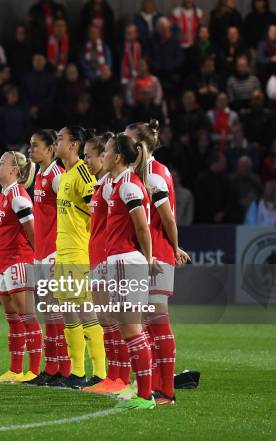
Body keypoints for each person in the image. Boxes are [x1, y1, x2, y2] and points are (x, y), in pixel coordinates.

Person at [126, 120, 190, 405]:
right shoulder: (144, 172)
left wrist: (174, 248)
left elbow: (167, 218)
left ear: (139, 145)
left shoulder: (153, 176)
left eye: (127, 141)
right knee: (148, 325)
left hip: (157, 256)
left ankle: (167, 391)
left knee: (157, 323)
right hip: (147, 256)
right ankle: (152, 386)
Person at [101, 133, 156, 410]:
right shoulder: (117, 183)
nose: (103, 155)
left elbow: (142, 228)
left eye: (107, 151)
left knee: (132, 330)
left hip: (126, 262)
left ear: (118, 157)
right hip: (119, 261)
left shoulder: (128, 187)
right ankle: (143, 390)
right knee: (129, 330)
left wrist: (147, 261)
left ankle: (146, 396)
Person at [52, 126, 105, 388]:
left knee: (85, 311)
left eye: (60, 139)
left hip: (78, 252)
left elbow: (97, 210)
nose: (56, 143)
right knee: (68, 313)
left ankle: (100, 374)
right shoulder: (64, 176)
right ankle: (76, 373)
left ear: (74, 145)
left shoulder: (82, 173)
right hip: (63, 252)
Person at [82, 133, 131, 395]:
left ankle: (121, 377)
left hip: (106, 256)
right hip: (97, 256)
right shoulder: (100, 185)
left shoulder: (112, 185)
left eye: (89, 155)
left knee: (113, 319)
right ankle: (114, 375)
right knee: (105, 320)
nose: (86, 160)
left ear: (104, 157)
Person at [0, 150, 42, 383]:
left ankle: (33, 370)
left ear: (14, 170)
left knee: (27, 316)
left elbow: (32, 231)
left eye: (2, 163)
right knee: (12, 318)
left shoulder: (19, 197)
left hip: (19, 261)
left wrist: (36, 259)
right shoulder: (3, 196)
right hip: (3, 263)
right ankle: (15, 369)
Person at [25, 129, 70, 386]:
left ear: (50, 149)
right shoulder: (41, 175)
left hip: (54, 251)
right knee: (49, 313)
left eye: (35, 146)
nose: (30, 150)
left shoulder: (56, 175)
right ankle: (52, 368)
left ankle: (64, 370)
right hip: (41, 252)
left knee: (58, 313)